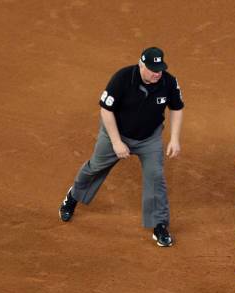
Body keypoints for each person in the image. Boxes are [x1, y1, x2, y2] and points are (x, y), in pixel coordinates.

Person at [58, 47, 184, 247]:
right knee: (96, 167)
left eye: (159, 68)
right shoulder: (123, 78)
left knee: (155, 177)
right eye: (152, 69)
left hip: (148, 138)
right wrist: (117, 142)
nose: (157, 73)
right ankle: (73, 197)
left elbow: (177, 108)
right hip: (115, 133)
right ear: (141, 65)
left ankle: (159, 225)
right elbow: (106, 110)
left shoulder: (168, 81)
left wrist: (174, 139)